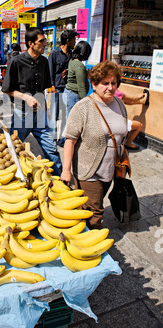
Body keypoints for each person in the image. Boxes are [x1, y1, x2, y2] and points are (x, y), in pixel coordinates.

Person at [60, 60, 128, 228]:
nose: (111, 87)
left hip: (110, 170)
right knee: (95, 212)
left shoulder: (119, 104)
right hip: (89, 171)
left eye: (114, 83)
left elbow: (122, 134)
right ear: (94, 84)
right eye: (105, 83)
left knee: (94, 204)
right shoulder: (82, 108)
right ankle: (92, 247)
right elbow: (70, 141)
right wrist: (66, 171)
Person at [2, 27, 62, 176]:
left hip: (40, 114)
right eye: (41, 41)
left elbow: (43, 88)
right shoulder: (16, 62)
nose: (45, 44)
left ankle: (61, 180)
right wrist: (26, 97)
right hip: (22, 114)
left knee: (52, 150)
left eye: (45, 41)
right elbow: (7, 89)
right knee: (14, 149)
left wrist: (46, 108)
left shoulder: (44, 61)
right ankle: (14, 178)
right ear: (30, 43)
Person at [48, 29, 78, 147]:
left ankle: (62, 140)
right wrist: (52, 86)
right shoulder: (55, 53)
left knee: (66, 116)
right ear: (67, 40)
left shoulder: (71, 54)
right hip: (57, 88)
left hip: (68, 88)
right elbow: (49, 70)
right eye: (74, 39)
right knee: (54, 115)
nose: (75, 42)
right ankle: (51, 141)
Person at [65, 40, 92, 116]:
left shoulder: (72, 60)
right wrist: (85, 102)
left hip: (69, 93)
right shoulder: (79, 65)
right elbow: (81, 87)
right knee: (73, 120)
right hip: (74, 95)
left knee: (69, 117)